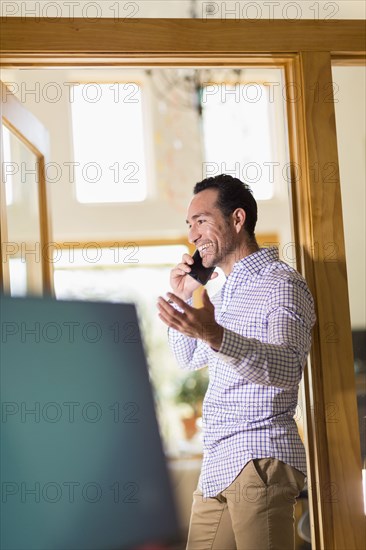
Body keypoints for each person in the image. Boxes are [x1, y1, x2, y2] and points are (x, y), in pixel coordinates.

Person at [157, 174, 316, 550]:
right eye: (189, 225)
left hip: (259, 456)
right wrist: (184, 295)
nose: (193, 235)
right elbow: (186, 358)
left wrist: (216, 336)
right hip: (217, 463)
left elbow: (288, 368)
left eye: (202, 220)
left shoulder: (282, 284)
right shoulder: (225, 292)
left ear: (237, 220)